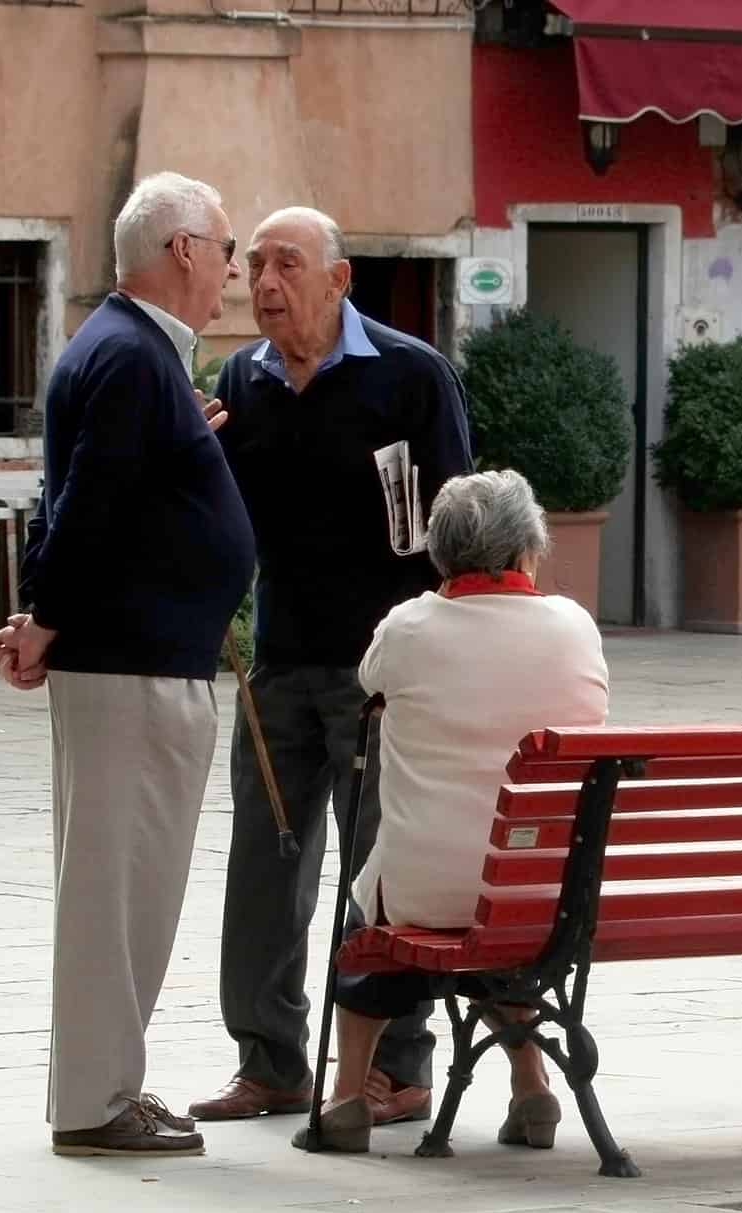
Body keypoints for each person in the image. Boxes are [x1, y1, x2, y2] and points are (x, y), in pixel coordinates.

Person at [0, 172, 252, 1156]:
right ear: (183, 249)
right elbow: (88, 506)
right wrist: (46, 618)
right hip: (132, 663)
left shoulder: (132, 357)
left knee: (129, 888)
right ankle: (96, 1102)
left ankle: (109, 1086)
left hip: (145, 656)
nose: (232, 268)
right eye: (226, 248)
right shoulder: (134, 357)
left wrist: (187, 438)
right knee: (115, 891)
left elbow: (93, 491)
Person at [189, 207, 472, 1127]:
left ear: (338, 280)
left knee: (380, 870)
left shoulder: (412, 376)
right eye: (256, 267)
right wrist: (193, 450)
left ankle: (398, 1067)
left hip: (382, 674)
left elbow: (457, 532)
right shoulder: (244, 378)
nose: (265, 285)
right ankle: (270, 1061)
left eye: (287, 266)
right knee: (266, 865)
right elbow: (224, 512)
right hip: (279, 662)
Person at [293, 470, 609, 1152]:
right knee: (503, 910)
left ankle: (348, 1096)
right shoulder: (575, 627)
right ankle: (532, 1086)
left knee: (373, 912)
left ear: (440, 553)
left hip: (426, 887)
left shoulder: (407, 629)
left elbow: (370, 683)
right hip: (549, 888)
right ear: (530, 549)